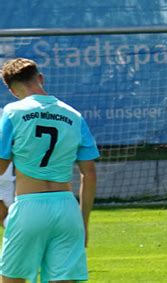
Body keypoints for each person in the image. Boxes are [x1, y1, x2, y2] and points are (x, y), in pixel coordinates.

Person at [0, 58, 100, 282]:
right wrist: (83, 222)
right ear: (40, 78)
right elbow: (89, 174)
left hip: (29, 207)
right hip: (67, 209)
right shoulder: (74, 115)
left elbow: (1, 167)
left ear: (12, 90)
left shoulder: (13, 111)